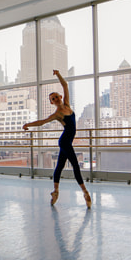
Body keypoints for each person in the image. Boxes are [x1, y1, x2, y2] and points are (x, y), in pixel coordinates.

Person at [22, 69, 92, 208]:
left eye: (56, 97)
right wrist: (28, 124)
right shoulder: (57, 114)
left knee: (59, 166)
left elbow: (65, 85)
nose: (56, 99)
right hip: (65, 142)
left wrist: (58, 74)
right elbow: (42, 122)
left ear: (60, 96)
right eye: (53, 99)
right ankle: (85, 192)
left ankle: (55, 191)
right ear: (52, 103)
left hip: (66, 141)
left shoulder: (67, 104)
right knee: (75, 166)